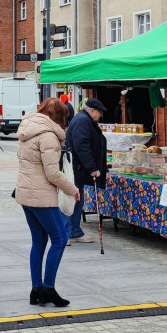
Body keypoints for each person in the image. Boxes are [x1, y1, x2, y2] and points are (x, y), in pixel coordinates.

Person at [16, 97, 79, 307]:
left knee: (39, 241)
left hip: (26, 194)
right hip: (41, 196)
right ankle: (49, 288)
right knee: (60, 239)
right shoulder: (48, 137)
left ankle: (36, 290)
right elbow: (52, 173)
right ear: (59, 116)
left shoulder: (28, 131)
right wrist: (73, 190)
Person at [64, 98, 108, 243]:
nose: (100, 115)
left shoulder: (85, 120)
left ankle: (74, 231)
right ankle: (67, 232)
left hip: (79, 168)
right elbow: (82, 146)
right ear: (92, 110)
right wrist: (92, 167)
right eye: (99, 112)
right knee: (73, 200)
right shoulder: (83, 121)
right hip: (78, 168)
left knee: (76, 199)